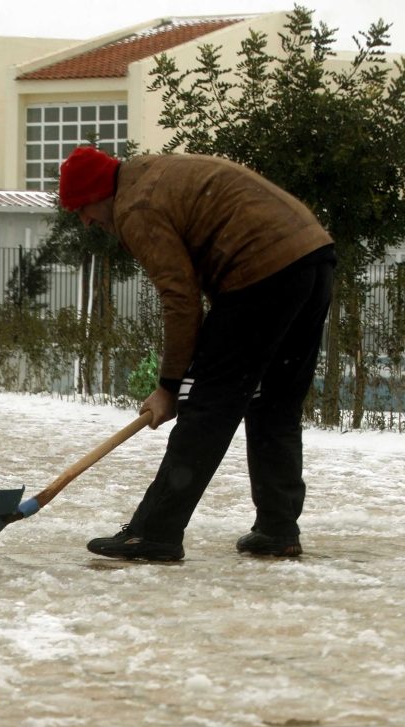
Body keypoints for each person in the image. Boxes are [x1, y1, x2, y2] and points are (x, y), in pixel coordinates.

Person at [57, 146, 335, 561]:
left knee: (207, 406)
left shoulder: (136, 207)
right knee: (275, 402)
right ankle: (278, 529)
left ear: (101, 193)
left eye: (83, 208)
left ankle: (155, 532)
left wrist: (169, 386)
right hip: (313, 258)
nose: (85, 220)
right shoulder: (154, 173)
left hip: (259, 270)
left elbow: (180, 299)